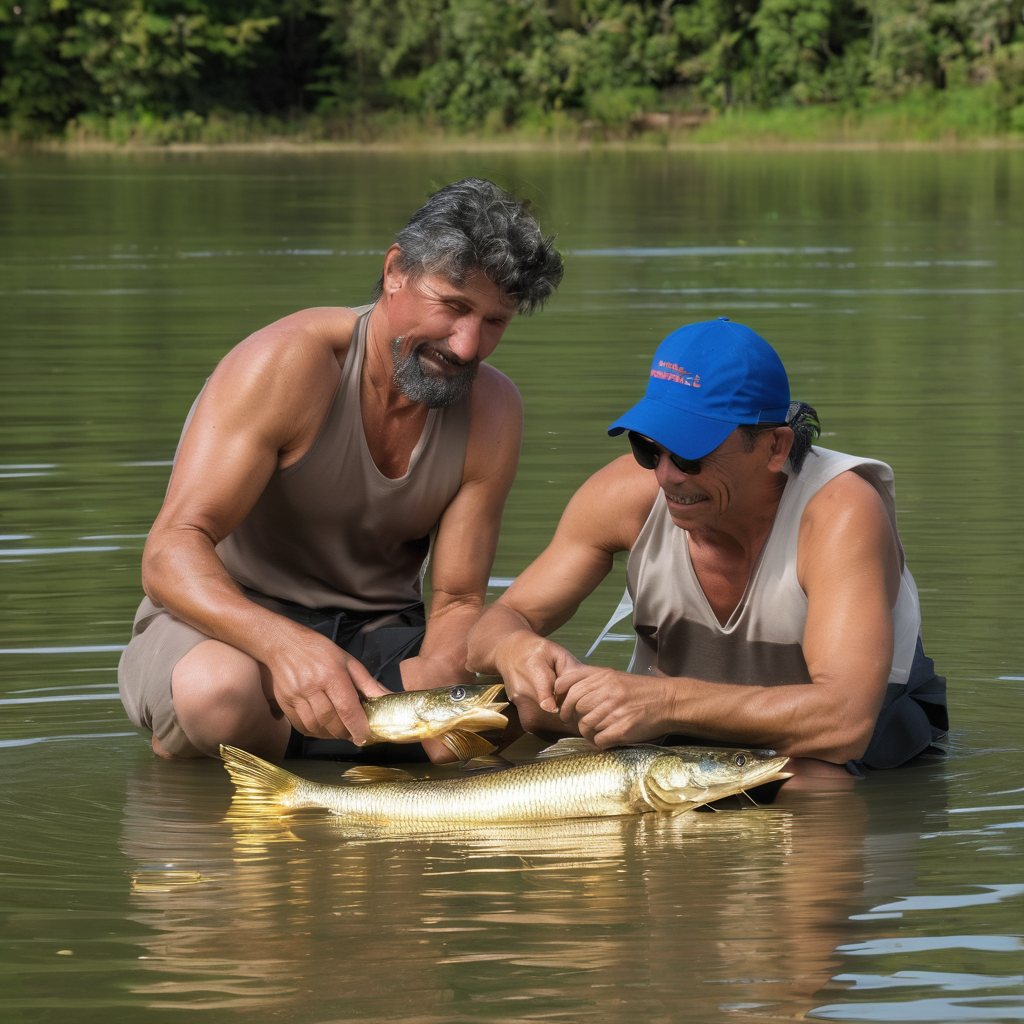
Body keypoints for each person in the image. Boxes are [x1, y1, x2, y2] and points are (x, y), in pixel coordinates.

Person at [118, 178, 563, 764]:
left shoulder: (494, 409)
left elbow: (456, 599)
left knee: (532, 706)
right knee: (217, 694)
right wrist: (285, 647)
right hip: (234, 626)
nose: (466, 345)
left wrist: (440, 685)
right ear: (395, 271)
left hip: (379, 635)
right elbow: (170, 552)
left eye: (494, 321)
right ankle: (273, 741)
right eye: (453, 306)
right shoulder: (287, 362)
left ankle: (322, 760)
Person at [467, 317, 947, 779]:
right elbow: (491, 628)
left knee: (804, 779)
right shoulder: (622, 495)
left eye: (692, 454)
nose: (666, 475)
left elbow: (844, 723)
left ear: (775, 447)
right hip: (686, 730)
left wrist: (664, 703)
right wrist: (515, 647)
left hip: (841, 741)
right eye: (650, 448)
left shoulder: (840, 512)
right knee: (507, 716)